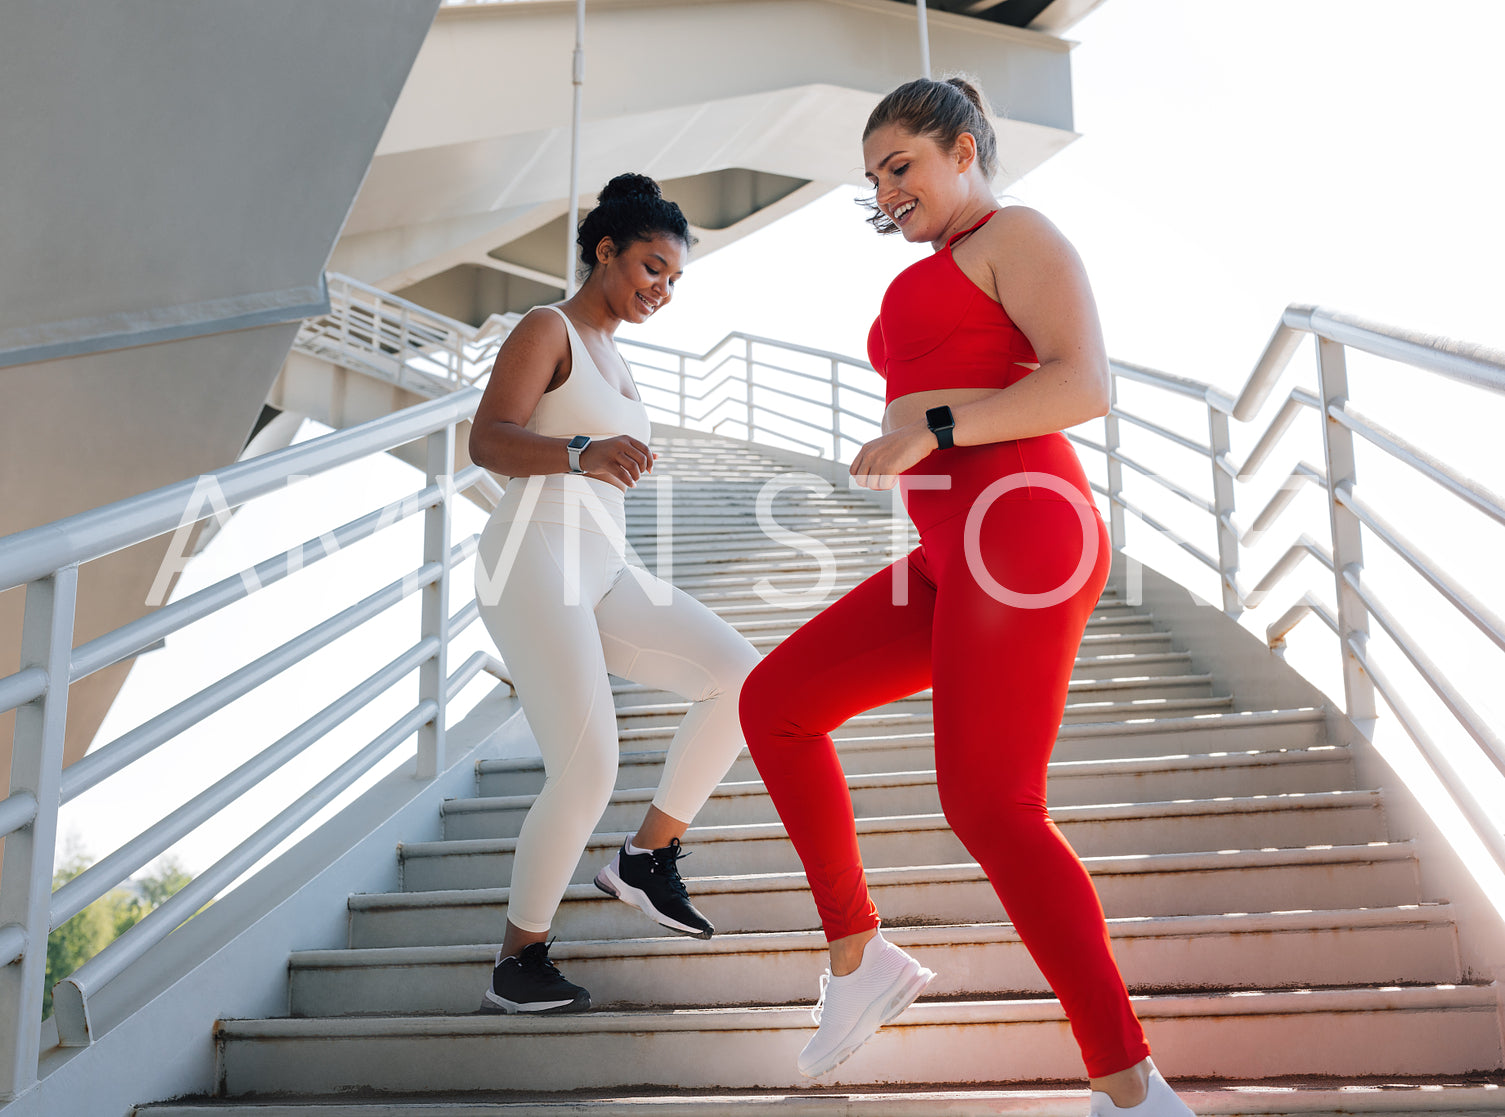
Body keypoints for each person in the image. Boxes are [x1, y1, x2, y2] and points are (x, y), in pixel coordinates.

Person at [738, 78, 1196, 1115]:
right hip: (953, 551)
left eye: (900, 165)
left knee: (989, 802)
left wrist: (931, 426)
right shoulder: (939, 265)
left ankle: (1128, 1086)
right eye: (871, 181)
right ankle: (858, 960)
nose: (884, 192)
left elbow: (1082, 384)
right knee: (773, 701)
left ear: (959, 149)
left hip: (1023, 527)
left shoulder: (1012, 232)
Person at [468, 173, 759, 1015]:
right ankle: (518, 960)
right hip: (532, 556)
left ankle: (645, 856)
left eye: (672, 279)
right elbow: (486, 439)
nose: (659, 290)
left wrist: (599, 456)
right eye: (649, 268)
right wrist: (579, 451)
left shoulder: (619, 356)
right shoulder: (546, 326)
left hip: (605, 564)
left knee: (745, 677)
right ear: (605, 251)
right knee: (589, 765)